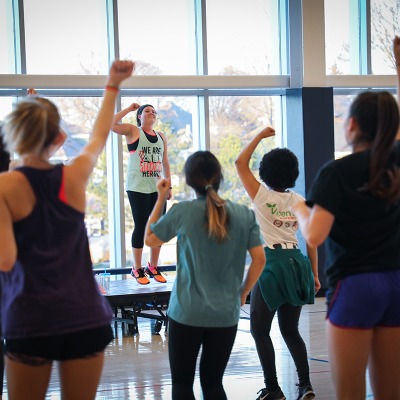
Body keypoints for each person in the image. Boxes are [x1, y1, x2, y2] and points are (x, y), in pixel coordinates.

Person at [0, 60, 134, 400]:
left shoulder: (5, 187)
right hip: (84, 316)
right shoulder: (73, 177)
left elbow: (5, 260)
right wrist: (113, 83)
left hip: (31, 317)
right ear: (58, 138)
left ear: (13, 136)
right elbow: (99, 136)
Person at [291, 38, 400, 400]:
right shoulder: (397, 163)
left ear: (352, 124)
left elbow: (317, 234)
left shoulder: (336, 172)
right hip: (396, 283)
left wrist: (298, 209)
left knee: (349, 393)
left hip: (356, 286)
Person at [144, 150, 266, 400]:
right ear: (220, 178)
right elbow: (260, 259)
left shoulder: (182, 211)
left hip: (186, 313)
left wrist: (160, 198)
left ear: (189, 181)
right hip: (225, 314)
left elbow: (149, 238)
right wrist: (243, 293)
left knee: (181, 384)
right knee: (213, 384)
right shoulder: (244, 214)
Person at [235, 127, 319, 400]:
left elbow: (239, 163)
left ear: (265, 172)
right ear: (292, 173)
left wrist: (259, 135)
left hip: (271, 264)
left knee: (259, 329)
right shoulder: (299, 201)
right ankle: (305, 385)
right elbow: (312, 241)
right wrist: (315, 275)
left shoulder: (262, 196)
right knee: (291, 330)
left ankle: (273, 389)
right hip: (297, 263)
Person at [112, 103, 171, 285]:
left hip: (157, 188)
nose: (151, 113)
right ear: (139, 116)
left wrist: (168, 186)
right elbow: (110, 124)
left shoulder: (161, 136)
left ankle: (152, 266)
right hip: (137, 187)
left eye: (154, 111)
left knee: (158, 227)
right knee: (140, 225)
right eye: (147, 111)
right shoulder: (133, 131)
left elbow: (165, 162)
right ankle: (136, 268)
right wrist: (129, 109)